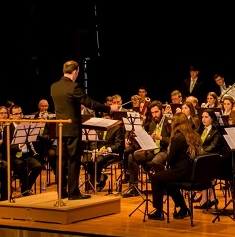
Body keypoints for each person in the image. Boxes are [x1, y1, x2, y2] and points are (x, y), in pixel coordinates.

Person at [50, 60, 120, 200]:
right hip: (73, 129)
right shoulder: (74, 87)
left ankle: (62, 191)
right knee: (73, 161)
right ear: (75, 71)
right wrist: (109, 108)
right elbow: (90, 103)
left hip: (60, 129)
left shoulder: (54, 86)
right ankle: (73, 192)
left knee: (61, 161)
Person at [147, 113, 203, 221]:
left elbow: (170, 159)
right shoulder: (195, 135)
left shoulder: (178, 138)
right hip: (193, 172)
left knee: (155, 178)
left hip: (182, 172)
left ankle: (158, 211)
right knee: (168, 183)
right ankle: (184, 209)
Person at [122, 100, 171, 198]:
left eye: (156, 112)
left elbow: (174, 141)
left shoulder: (169, 123)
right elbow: (151, 141)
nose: (154, 115)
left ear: (162, 111)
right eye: (152, 113)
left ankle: (161, 187)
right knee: (132, 156)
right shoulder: (152, 124)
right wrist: (144, 147)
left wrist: (161, 138)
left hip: (164, 151)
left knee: (155, 161)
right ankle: (133, 187)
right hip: (152, 150)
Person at [2, 104, 43, 196]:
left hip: (26, 154)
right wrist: (19, 146)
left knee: (38, 166)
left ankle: (26, 187)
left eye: (20, 113)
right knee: (21, 165)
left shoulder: (26, 126)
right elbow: (6, 147)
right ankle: (25, 190)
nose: (19, 116)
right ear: (11, 116)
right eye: (16, 114)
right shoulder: (7, 128)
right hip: (13, 156)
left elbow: (33, 140)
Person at [82, 108, 125, 191]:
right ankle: (98, 177)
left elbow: (118, 145)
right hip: (97, 151)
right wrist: (95, 151)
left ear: (112, 119)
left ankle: (97, 181)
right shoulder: (99, 127)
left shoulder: (117, 128)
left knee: (98, 161)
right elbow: (93, 142)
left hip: (110, 152)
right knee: (85, 161)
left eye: (108, 119)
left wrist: (107, 150)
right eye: (104, 119)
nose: (105, 122)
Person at [194, 108, 223, 210]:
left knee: (202, 167)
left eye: (206, 117)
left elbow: (213, 146)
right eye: (202, 117)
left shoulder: (216, 131)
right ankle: (210, 198)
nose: (203, 119)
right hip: (203, 156)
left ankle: (206, 198)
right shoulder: (201, 130)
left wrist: (200, 152)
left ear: (212, 118)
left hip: (213, 157)